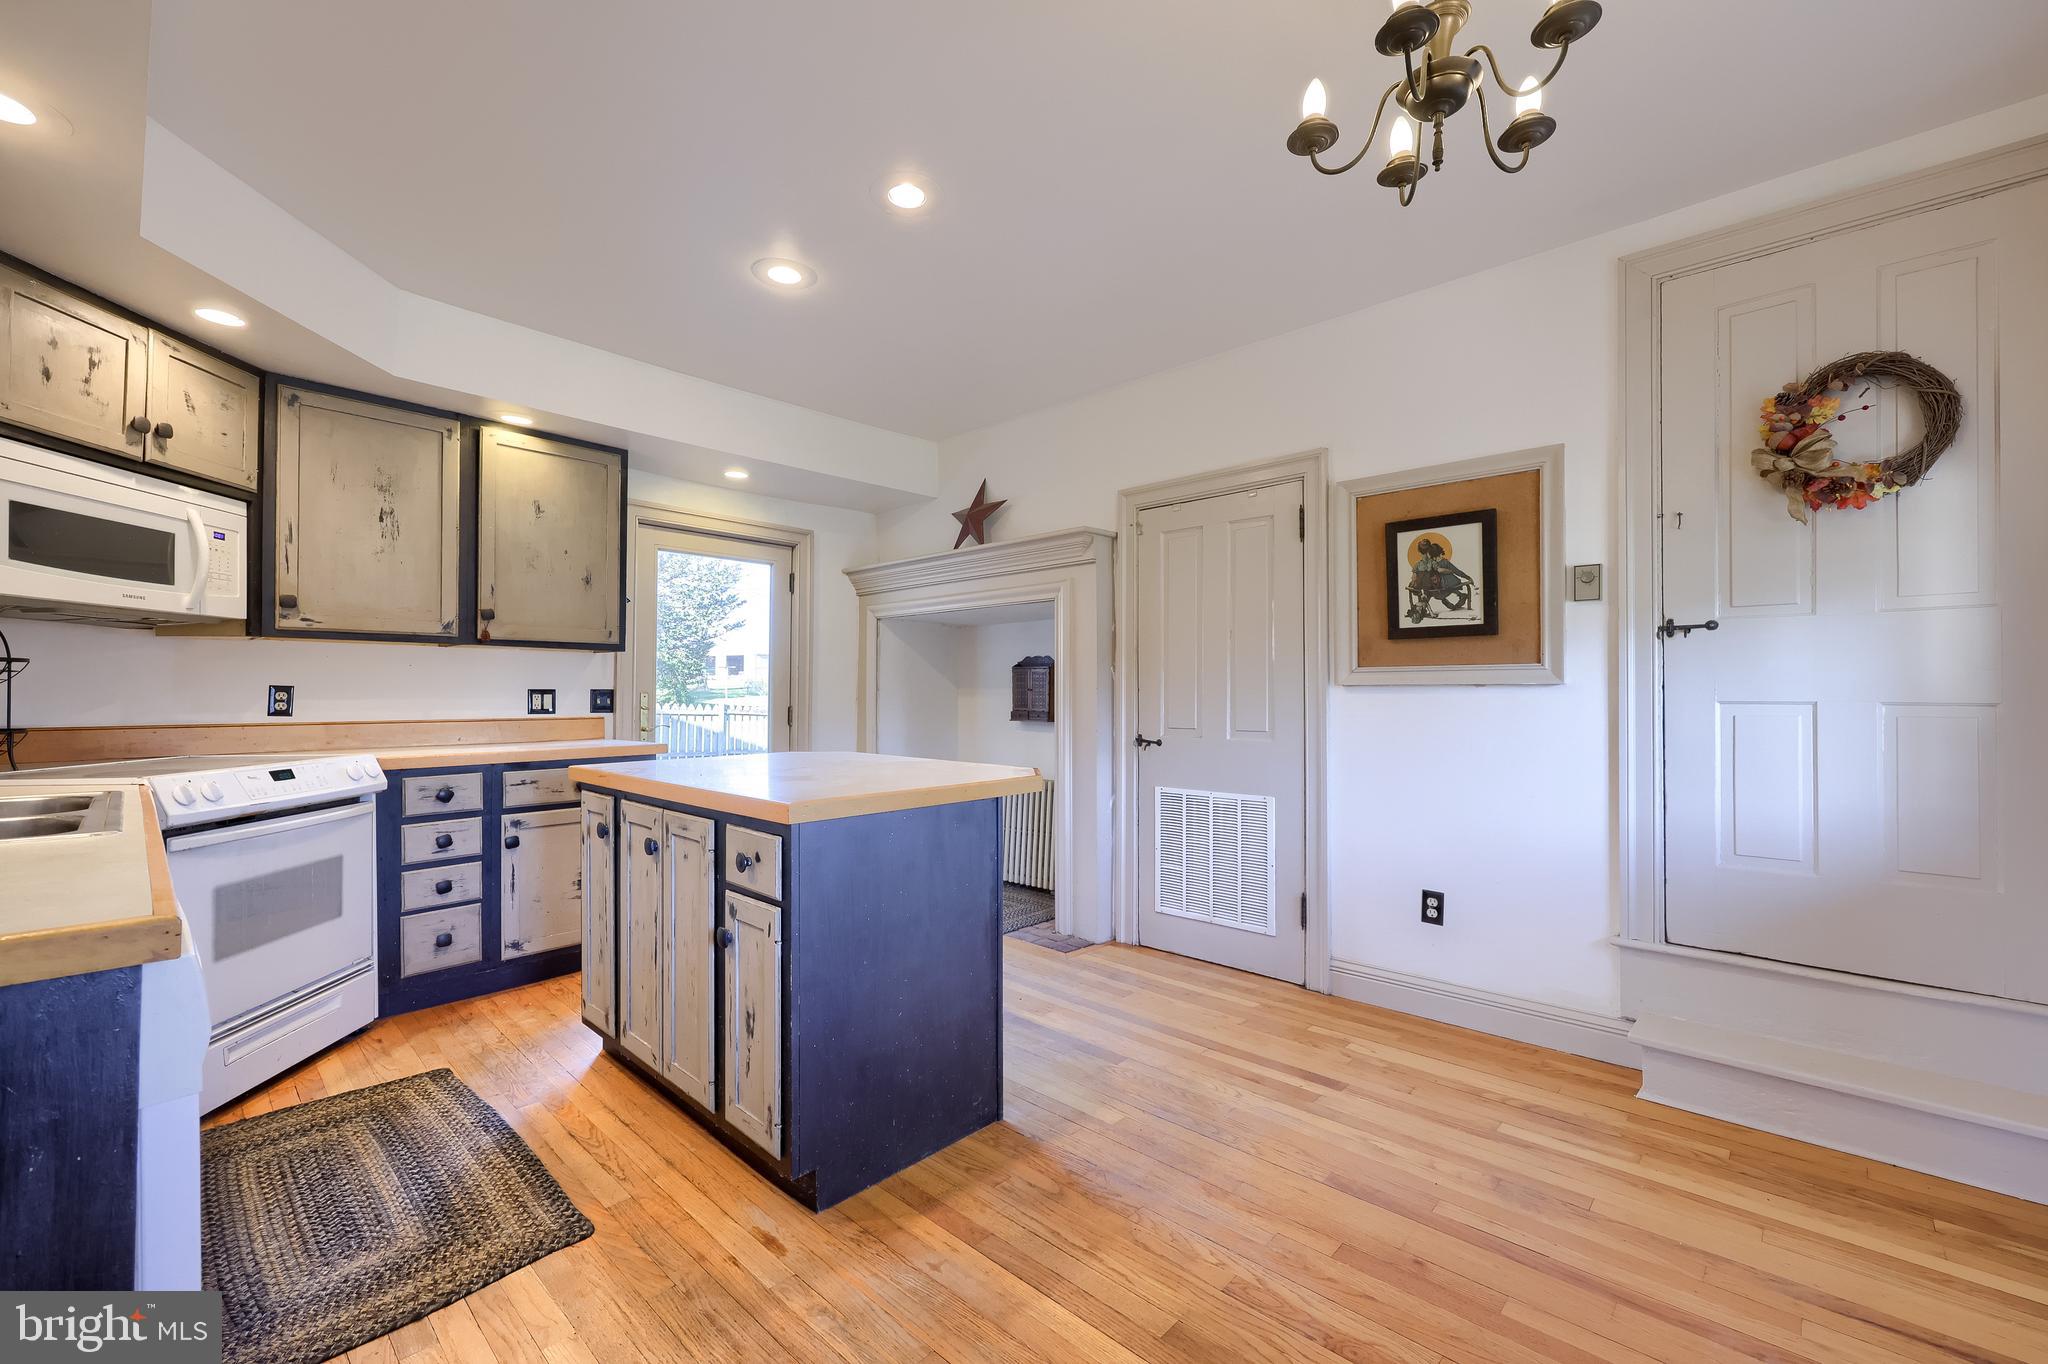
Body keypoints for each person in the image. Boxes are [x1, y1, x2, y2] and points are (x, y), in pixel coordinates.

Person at [1407, 536, 1473, 621]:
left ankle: (1455, 598)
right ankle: (1455, 598)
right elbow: (1440, 570)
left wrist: (1414, 582)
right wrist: (1450, 571)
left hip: (1431, 586)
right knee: (1438, 588)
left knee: (1437, 588)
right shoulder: (1432, 562)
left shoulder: (1418, 564)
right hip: (1433, 586)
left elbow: (1414, 577)